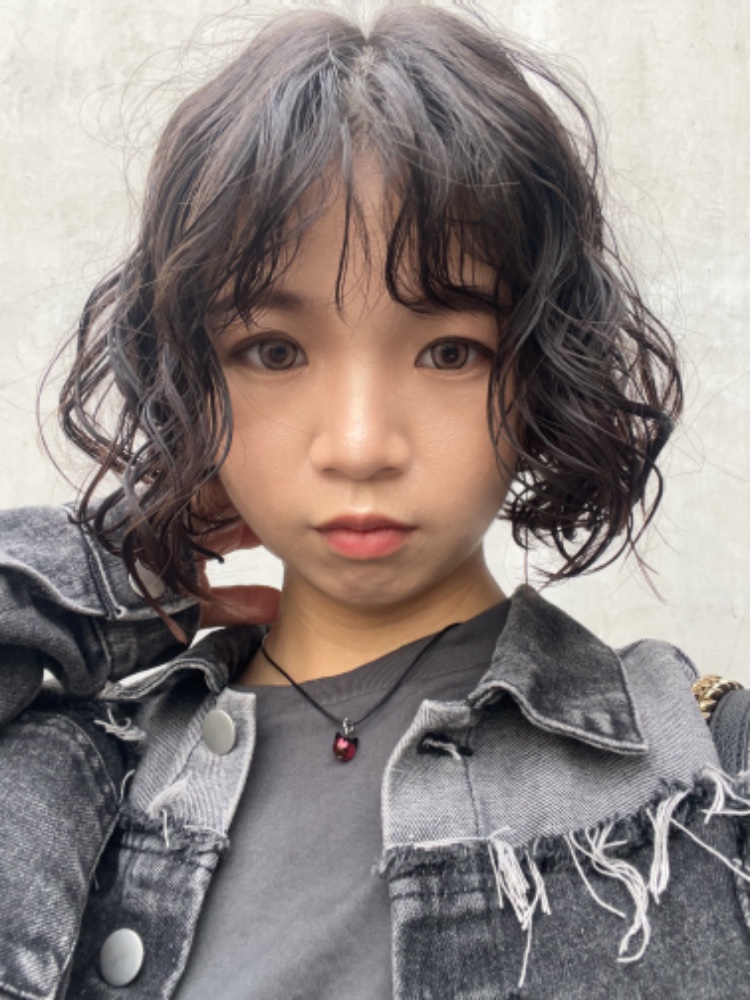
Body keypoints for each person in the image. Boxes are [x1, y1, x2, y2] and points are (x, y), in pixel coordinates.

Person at [0, 5, 748, 999]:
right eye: (275, 351)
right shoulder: (73, 771)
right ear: (191, 377)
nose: (360, 445)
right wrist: (109, 572)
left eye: (449, 352)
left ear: (542, 372)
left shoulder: (709, 774)